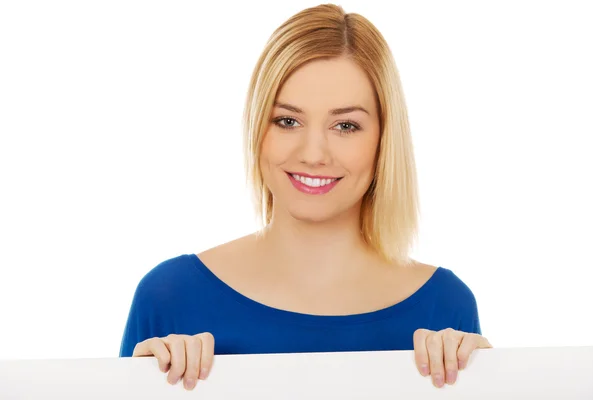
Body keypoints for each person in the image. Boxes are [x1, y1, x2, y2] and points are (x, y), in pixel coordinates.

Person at [119, 3, 492, 392]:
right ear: (257, 128)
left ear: (384, 139)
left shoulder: (445, 307)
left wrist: (493, 379)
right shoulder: (169, 299)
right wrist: (143, 387)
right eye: (287, 121)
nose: (313, 153)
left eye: (346, 125)